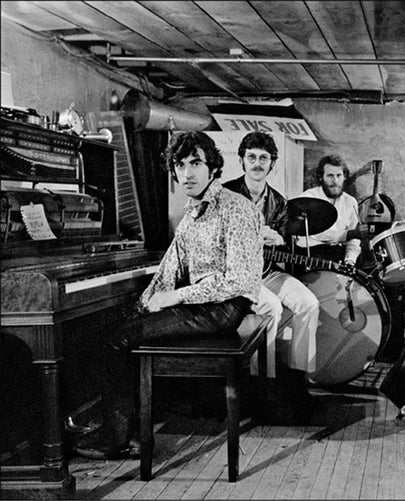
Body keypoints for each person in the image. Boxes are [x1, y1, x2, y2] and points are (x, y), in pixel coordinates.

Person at [73, 131, 264, 458]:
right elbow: (168, 270)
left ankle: (116, 436)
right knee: (112, 328)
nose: (187, 173)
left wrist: (175, 297)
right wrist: (142, 304)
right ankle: (127, 430)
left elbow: (240, 280)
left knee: (115, 340)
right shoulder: (192, 214)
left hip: (222, 310)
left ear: (213, 168)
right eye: (180, 164)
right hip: (202, 306)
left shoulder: (235, 208)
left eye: (196, 163)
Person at [223, 131, 319, 422]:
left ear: (272, 164)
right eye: (251, 157)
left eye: (264, 158)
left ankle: (297, 378)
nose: (257, 163)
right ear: (241, 160)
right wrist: (253, 235)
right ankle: (261, 385)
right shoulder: (225, 194)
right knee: (272, 309)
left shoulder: (279, 202)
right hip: (236, 277)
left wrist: (278, 239)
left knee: (309, 303)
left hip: (266, 271)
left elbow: (279, 241)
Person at [293, 154, 364, 266]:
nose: (335, 180)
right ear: (321, 177)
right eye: (330, 175)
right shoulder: (308, 198)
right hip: (310, 255)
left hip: (338, 255)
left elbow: (354, 240)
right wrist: (348, 235)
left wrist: (350, 259)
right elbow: (319, 234)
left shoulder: (351, 202)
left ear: (344, 176)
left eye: (339, 175)